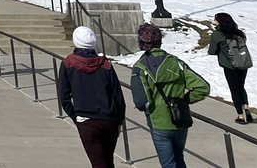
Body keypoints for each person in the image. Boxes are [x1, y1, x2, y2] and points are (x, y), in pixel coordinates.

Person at [131, 22, 210, 168]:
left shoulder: (140, 67)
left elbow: (142, 102)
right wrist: (183, 101)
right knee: (179, 159)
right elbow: (203, 87)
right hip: (180, 119)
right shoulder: (175, 62)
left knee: (168, 164)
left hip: (159, 122)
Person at [57, 26, 126, 168]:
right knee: (107, 161)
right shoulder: (105, 64)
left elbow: (64, 97)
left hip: (86, 120)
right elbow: (118, 96)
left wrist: (76, 116)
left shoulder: (68, 63)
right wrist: (119, 120)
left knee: (98, 163)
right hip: (109, 119)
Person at [208, 12, 253, 124]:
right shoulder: (239, 33)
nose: (214, 21)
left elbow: (211, 51)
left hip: (230, 66)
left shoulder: (217, 34)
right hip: (243, 64)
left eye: (215, 19)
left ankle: (240, 116)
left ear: (220, 22)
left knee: (234, 89)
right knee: (241, 86)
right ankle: (246, 109)